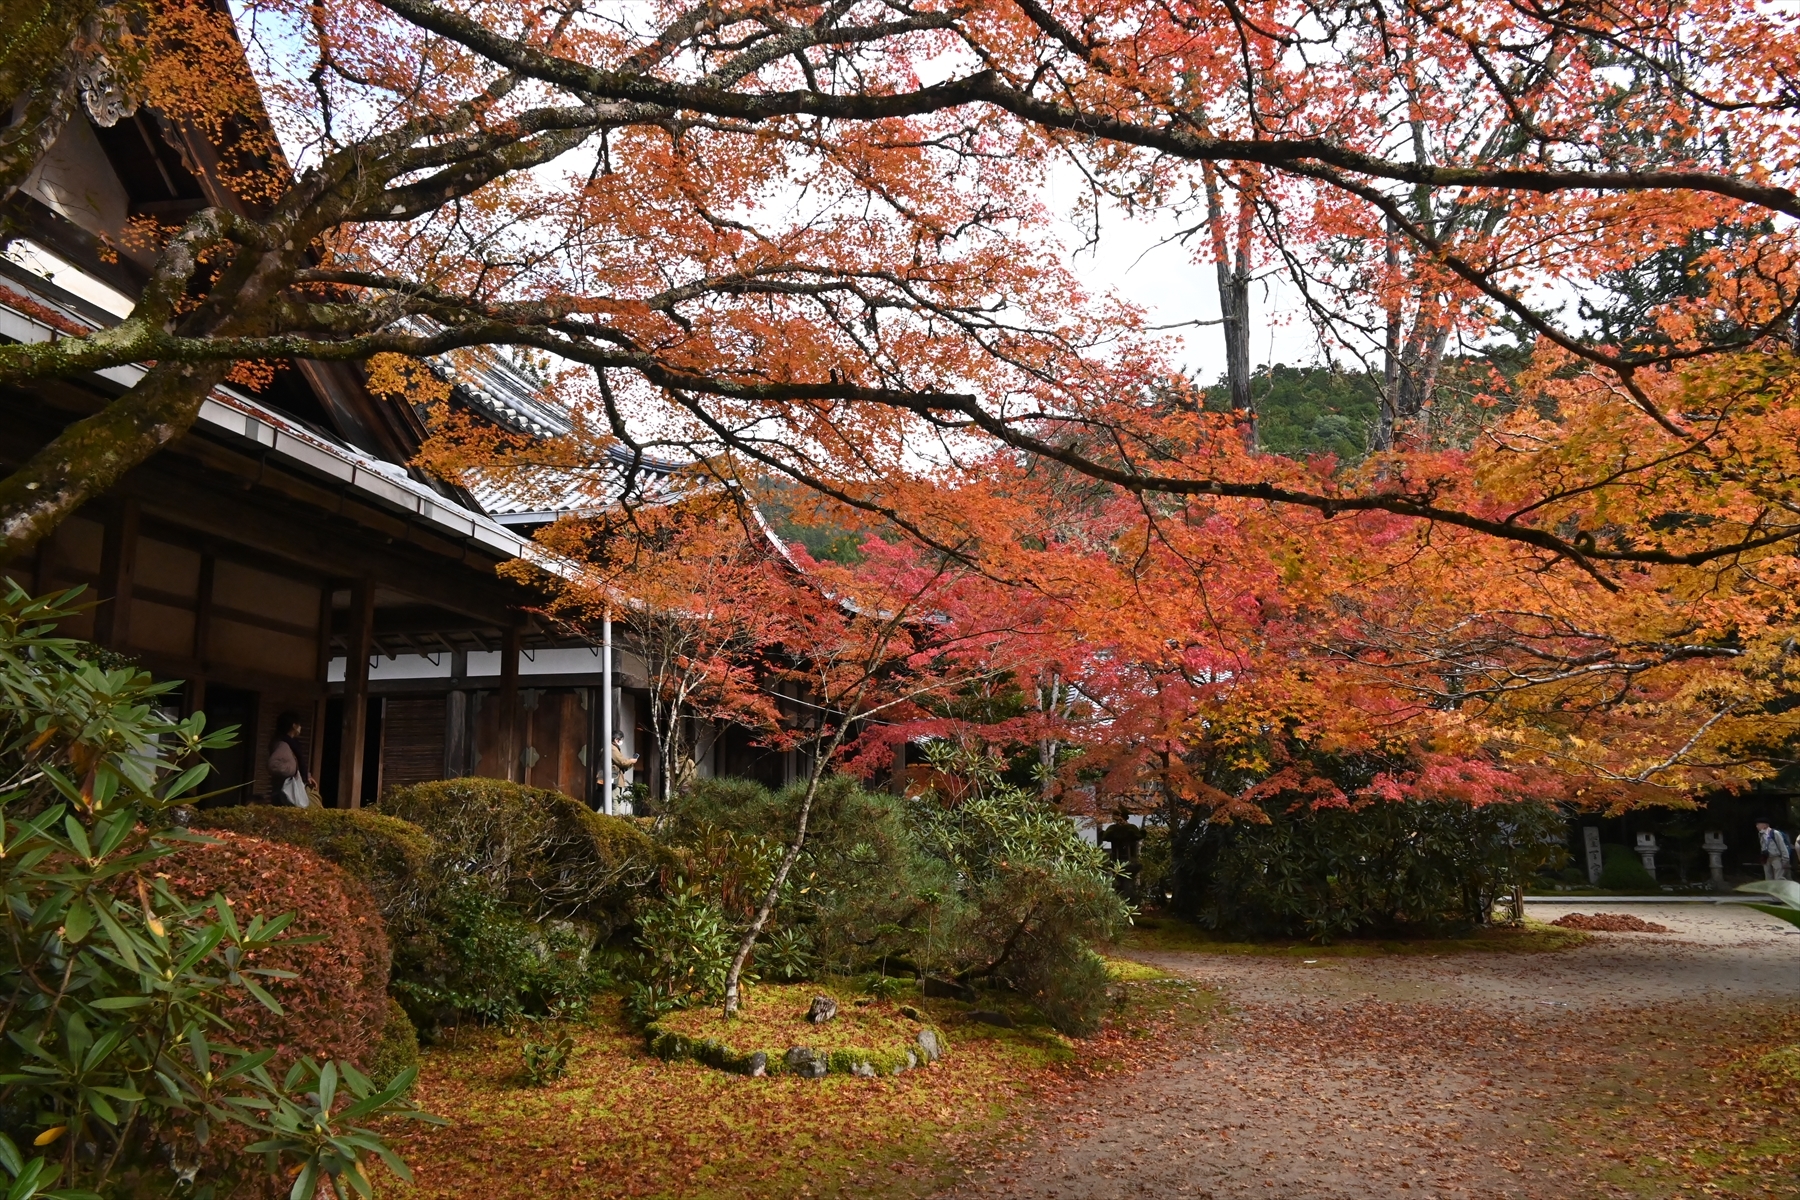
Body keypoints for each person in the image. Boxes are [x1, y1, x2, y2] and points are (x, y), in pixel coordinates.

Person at [267, 712, 316, 807]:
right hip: (284, 792)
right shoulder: (283, 745)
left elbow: (296, 762)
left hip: (287, 791)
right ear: (294, 726)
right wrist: (293, 770)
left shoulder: (292, 744)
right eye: (299, 724)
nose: (300, 727)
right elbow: (273, 765)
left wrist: (307, 775)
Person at [1099, 806, 1145, 899]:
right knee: (1121, 884)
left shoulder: (1130, 829)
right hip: (1121, 860)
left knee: (1124, 885)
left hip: (1124, 860)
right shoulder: (1113, 829)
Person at [600, 728, 638, 810]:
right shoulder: (612, 748)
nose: (621, 742)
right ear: (616, 739)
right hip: (614, 780)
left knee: (606, 805)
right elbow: (622, 762)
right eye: (621, 740)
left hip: (612, 779)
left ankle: (594, 818)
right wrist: (631, 760)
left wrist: (630, 763)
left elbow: (621, 765)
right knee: (614, 805)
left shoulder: (610, 748)